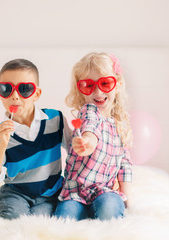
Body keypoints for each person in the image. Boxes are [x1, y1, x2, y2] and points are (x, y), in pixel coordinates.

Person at [0, 58, 71, 220]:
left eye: (24, 89)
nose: (15, 96)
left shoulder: (55, 119)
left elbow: (74, 151)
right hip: (16, 193)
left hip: (50, 192)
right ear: (0, 94)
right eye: (6, 89)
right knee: (12, 217)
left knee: (40, 220)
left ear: (36, 94)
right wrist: (2, 145)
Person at [54, 52, 133, 221]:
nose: (97, 92)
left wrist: (128, 198)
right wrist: (88, 142)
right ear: (80, 89)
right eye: (88, 86)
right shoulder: (89, 111)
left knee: (110, 210)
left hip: (104, 190)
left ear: (117, 84)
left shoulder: (119, 124)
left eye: (105, 83)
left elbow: (124, 165)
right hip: (75, 191)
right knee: (63, 219)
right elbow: (91, 128)